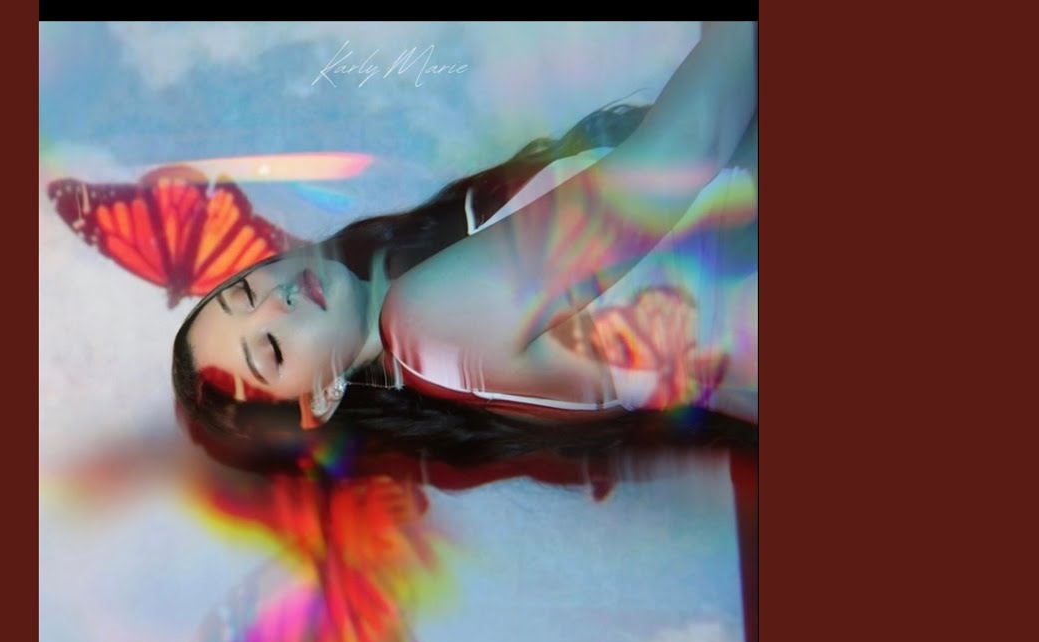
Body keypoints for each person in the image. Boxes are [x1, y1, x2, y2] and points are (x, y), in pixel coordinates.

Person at [174, 22, 758, 469]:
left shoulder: (431, 333)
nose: (276, 304)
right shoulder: (427, 325)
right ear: (322, 398)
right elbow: (684, 147)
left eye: (245, 293)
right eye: (272, 349)